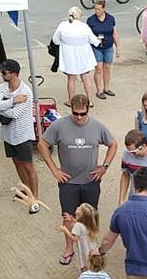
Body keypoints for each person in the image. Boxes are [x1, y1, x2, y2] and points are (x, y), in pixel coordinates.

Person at [37, 94, 116, 266]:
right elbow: (42, 144)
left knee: (90, 216)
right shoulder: (59, 125)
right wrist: (54, 169)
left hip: (90, 180)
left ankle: (92, 247)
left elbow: (113, 144)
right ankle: (69, 248)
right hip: (68, 182)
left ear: (89, 108)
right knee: (68, 216)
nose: (79, 117)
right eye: (76, 113)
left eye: (83, 113)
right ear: (71, 109)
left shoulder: (97, 126)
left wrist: (104, 166)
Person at [0, 59, 39, 210]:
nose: (1, 74)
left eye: (4, 72)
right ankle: (26, 191)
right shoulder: (2, 87)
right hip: (8, 135)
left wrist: (4, 107)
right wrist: (13, 100)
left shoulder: (26, 91)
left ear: (14, 74)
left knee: (28, 166)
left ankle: (35, 197)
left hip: (22, 134)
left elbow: (15, 114)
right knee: (17, 163)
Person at [52, 7, 100, 106]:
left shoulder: (63, 25)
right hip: (83, 55)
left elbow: (55, 40)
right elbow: (94, 41)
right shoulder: (84, 26)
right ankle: (90, 101)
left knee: (71, 78)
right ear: (80, 16)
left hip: (69, 55)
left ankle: (70, 100)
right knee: (86, 78)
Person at [87, 0, 121, 99]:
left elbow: (114, 33)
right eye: (95, 9)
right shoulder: (91, 20)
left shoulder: (110, 19)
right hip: (96, 47)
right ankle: (99, 90)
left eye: (99, 9)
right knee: (98, 68)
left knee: (107, 68)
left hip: (108, 46)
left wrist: (118, 47)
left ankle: (106, 88)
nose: (97, 11)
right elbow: (88, 35)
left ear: (103, 8)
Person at [57, 202, 100, 271]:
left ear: (82, 215)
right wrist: (72, 220)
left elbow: (75, 239)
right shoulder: (88, 224)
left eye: (79, 208)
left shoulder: (78, 226)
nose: (77, 207)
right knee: (90, 261)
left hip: (84, 247)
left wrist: (65, 230)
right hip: (91, 247)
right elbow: (79, 223)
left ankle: (85, 272)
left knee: (84, 260)